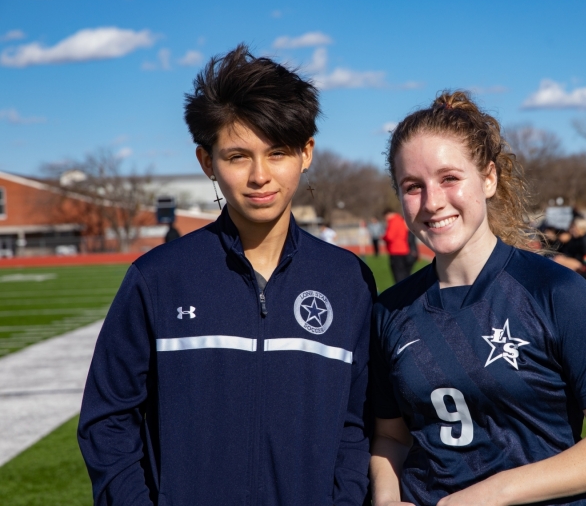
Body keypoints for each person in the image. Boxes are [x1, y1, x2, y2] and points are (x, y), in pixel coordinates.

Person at [78, 45, 375, 506]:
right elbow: (107, 419)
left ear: (306, 153)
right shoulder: (158, 278)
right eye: (238, 156)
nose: (260, 175)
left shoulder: (348, 280)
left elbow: (355, 425)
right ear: (206, 162)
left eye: (277, 152)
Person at [370, 91, 586, 506]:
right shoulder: (390, 311)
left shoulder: (556, 292)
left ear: (488, 178)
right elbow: (390, 437)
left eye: (450, 178)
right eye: (413, 186)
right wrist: (388, 499)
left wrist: (493, 493)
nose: (432, 202)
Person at [383, 208, 415, 283]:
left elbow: (390, 236)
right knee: (405, 273)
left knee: (398, 274)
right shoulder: (401, 220)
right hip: (404, 249)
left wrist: (383, 237)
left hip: (396, 250)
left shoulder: (393, 221)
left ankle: (402, 291)